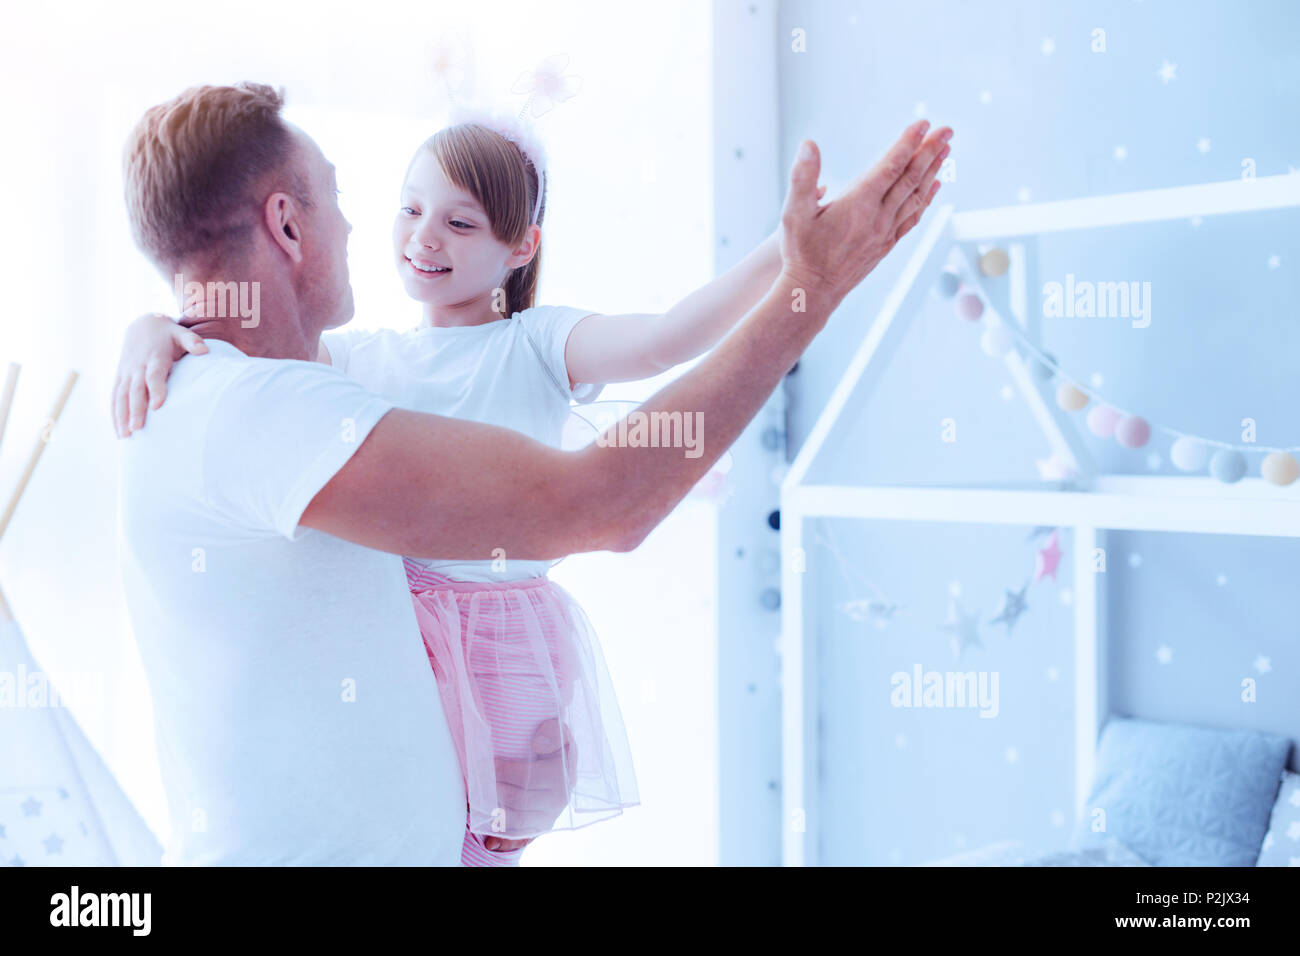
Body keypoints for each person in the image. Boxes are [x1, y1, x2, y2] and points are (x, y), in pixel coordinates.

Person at [115, 81, 950, 865]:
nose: (375, 232)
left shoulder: (229, 389)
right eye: (345, 201)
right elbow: (606, 504)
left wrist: (159, 320)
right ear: (289, 226)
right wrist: (812, 286)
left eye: (460, 220)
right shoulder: (260, 407)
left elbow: (661, 339)